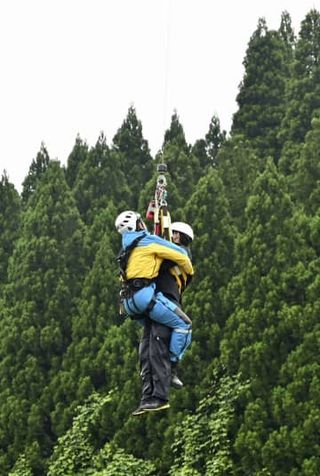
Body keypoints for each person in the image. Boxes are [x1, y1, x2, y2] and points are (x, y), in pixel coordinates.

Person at [115, 211, 194, 412]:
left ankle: (147, 397)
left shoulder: (127, 248)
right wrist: (188, 271)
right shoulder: (149, 241)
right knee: (183, 325)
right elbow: (182, 256)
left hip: (129, 302)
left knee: (149, 343)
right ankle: (171, 370)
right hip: (146, 298)